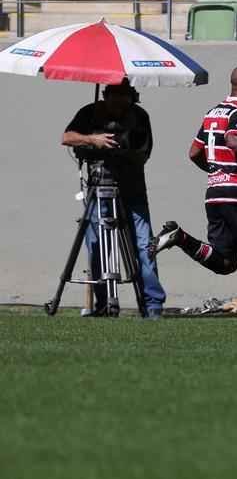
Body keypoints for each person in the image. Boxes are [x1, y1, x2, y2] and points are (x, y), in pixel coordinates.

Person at [153, 65, 237, 331]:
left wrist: (216, 172)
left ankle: (179, 237)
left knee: (226, 263)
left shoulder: (213, 112)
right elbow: (233, 140)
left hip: (214, 194)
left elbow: (194, 152)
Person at [62, 79, 167, 318]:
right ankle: (103, 303)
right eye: (115, 100)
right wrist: (93, 140)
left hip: (132, 188)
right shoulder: (89, 112)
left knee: (143, 245)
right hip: (99, 186)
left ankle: (152, 305)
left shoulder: (139, 116)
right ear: (106, 97)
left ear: (131, 98)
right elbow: (66, 137)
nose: (119, 107)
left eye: (124, 101)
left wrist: (122, 149)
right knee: (96, 244)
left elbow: (143, 151)